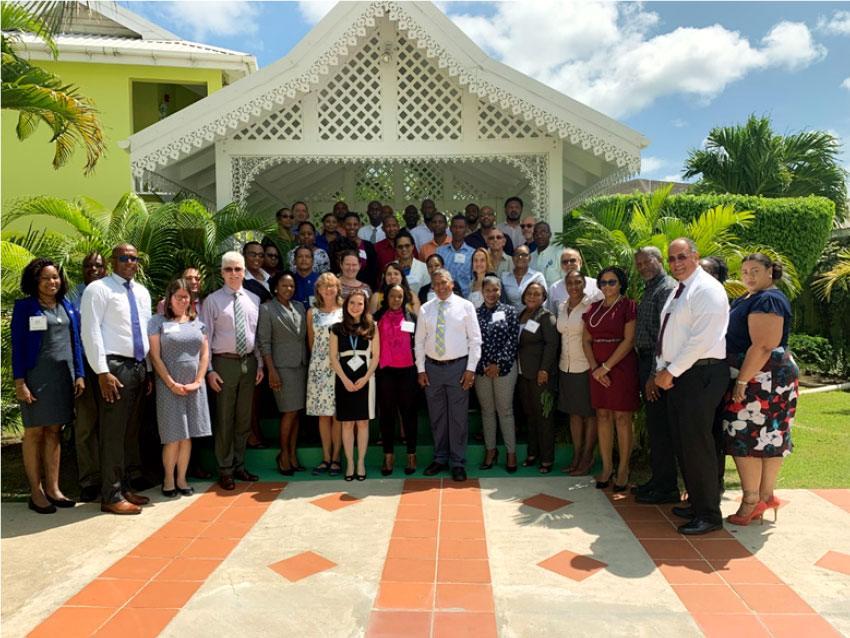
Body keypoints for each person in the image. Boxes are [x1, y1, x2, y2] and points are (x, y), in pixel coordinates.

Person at [655, 238, 729, 535]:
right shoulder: (681, 288)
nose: (676, 263)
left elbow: (700, 340)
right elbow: (670, 333)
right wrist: (663, 368)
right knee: (684, 444)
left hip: (701, 374)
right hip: (682, 375)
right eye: (671, 258)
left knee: (698, 445)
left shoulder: (707, 289)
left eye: (682, 256)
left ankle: (709, 514)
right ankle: (697, 503)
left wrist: (670, 371)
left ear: (696, 256)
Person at [721, 253, 795, 526]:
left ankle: (752, 499)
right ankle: (765, 496)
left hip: (762, 378)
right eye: (744, 271)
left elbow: (764, 344)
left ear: (769, 271)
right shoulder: (749, 297)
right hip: (761, 376)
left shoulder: (768, 300)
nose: (748, 276)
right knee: (766, 437)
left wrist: (742, 381)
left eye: (755, 270)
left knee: (745, 436)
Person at [80, 243, 152, 515]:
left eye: (134, 258)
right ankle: (110, 495)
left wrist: (147, 370)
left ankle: (124, 487)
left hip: (138, 367)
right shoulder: (98, 289)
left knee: (129, 433)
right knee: (112, 433)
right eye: (124, 257)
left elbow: (144, 331)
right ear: (112, 262)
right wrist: (102, 371)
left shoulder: (141, 292)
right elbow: (91, 332)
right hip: (114, 368)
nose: (130, 262)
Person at [13, 258, 85, 513]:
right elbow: (18, 347)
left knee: (54, 431)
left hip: (62, 377)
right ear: (35, 281)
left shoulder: (68, 306)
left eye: (55, 277)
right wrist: (20, 383)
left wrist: (79, 374)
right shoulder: (25, 307)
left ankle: (54, 489)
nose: (51, 282)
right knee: (34, 431)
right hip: (35, 377)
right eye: (45, 278)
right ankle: (36, 492)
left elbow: (76, 342)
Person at [201, 251, 264, 491]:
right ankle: (225, 469)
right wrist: (209, 370)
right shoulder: (212, 301)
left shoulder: (253, 299)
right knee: (225, 418)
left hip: (248, 363)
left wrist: (259, 363)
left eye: (238, 269)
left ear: (244, 272)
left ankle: (239, 465)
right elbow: (205, 337)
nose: (234, 273)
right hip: (223, 363)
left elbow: (256, 336)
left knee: (243, 419)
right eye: (229, 269)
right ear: (222, 273)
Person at [415, 268, 482, 481]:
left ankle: (458, 462)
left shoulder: (466, 306)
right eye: (436, 283)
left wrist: (471, 368)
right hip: (432, 369)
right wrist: (421, 369)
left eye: (444, 282)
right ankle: (440, 458)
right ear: (432, 287)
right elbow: (419, 341)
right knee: (437, 417)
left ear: (451, 283)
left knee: (458, 418)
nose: (441, 287)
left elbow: (475, 340)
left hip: (458, 368)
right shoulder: (426, 309)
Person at [148, 278, 211, 497]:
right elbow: (155, 357)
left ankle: (182, 479)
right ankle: (168, 480)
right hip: (169, 386)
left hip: (194, 386)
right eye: (179, 297)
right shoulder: (157, 321)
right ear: (170, 297)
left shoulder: (196, 321)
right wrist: (171, 383)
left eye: (186, 297)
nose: (183, 301)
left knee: (187, 436)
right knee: (173, 436)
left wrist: (199, 381)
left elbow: (205, 354)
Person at [582, 266, 639, 492]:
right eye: (603, 282)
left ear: (621, 283)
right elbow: (586, 340)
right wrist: (595, 368)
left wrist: (606, 367)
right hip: (597, 369)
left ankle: (623, 469)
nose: (606, 286)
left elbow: (629, 340)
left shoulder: (628, 306)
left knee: (622, 417)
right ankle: (606, 468)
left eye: (612, 282)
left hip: (621, 366)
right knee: (602, 415)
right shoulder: (593, 307)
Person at [632, 247, 680, 504]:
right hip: (646, 360)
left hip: (656, 363)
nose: (642, 267)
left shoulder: (666, 288)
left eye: (646, 262)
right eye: (638, 264)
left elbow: (665, 336)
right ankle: (658, 479)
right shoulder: (650, 288)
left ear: (659, 260)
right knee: (654, 426)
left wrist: (653, 374)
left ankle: (667, 487)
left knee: (661, 427)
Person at [258, 271, 308, 476]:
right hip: (282, 368)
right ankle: (284, 454)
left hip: (301, 366)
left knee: (297, 412)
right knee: (289, 412)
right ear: (276, 287)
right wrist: (271, 370)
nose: (288, 289)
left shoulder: (299, 307)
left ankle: (293, 455)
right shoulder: (267, 309)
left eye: (291, 286)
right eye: (284, 285)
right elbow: (264, 342)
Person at [67, 252, 107, 502]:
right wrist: (77, 372)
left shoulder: (112, 291)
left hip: (111, 367)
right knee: (85, 426)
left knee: (113, 423)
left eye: (98, 265)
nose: (93, 269)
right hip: (84, 368)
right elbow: (71, 335)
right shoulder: (72, 296)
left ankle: (118, 474)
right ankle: (90, 480)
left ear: (105, 269)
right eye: (88, 265)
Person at [329, 290, 380, 481]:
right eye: (352, 303)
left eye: (360, 303)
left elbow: (376, 356)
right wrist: (344, 379)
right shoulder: (336, 328)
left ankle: (361, 463)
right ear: (346, 305)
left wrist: (366, 378)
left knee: (363, 422)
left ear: (365, 306)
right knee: (347, 423)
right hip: (344, 379)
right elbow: (333, 357)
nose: (355, 307)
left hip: (365, 379)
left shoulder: (372, 327)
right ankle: (350, 462)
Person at [474, 276, 519, 472]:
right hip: (482, 370)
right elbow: (474, 341)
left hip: (505, 369)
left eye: (495, 290)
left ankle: (511, 454)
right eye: (488, 290)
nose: (492, 294)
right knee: (487, 411)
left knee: (505, 410)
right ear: (482, 292)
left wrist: (498, 364)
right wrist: (486, 365)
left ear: (500, 291)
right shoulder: (475, 313)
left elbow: (512, 340)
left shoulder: (510, 311)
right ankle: (490, 451)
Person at [374, 283, 419, 476]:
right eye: (392, 295)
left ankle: (411, 454)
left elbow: (419, 344)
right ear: (386, 297)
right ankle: (388, 455)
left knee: (409, 413)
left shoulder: (412, 318)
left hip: (408, 371)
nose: (396, 299)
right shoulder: (376, 318)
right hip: (386, 371)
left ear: (404, 298)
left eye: (400, 296)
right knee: (387, 414)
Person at [556, 270, 597, 476]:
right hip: (566, 366)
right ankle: (576, 456)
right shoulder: (562, 306)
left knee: (589, 414)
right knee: (574, 413)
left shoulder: (591, 305)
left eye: (578, 282)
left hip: (585, 366)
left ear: (584, 283)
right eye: (570, 283)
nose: (574, 286)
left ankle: (587, 458)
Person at [517, 282, 559, 473]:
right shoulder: (521, 315)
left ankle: (547, 459)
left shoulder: (546, 317)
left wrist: (544, 370)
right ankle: (532, 454)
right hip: (523, 374)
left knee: (544, 416)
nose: (532, 297)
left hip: (540, 375)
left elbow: (551, 345)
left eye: (537, 294)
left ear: (543, 298)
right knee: (530, 416)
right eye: (529, 293)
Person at [306, 272, 344, 476]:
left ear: (338, 288)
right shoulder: (312, 313)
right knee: (323, 415)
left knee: (337, 415)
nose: (329, 289)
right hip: (319, 368)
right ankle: (326, 457)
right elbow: (311, 342)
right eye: (324, 286)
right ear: (318, 290)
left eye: (332, 285)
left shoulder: (344, 312)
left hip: (340, 368)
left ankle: (336, 458)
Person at [547, 248, 602, 316]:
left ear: (580, 262)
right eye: (565, 262)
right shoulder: (554, 289)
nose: (569, 264)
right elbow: (551, 316)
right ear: (561, 266)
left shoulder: (595, 285)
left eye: (572, 260)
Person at [333, 212, 379, 289]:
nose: (352, 227)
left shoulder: (368, 246)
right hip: (342, 287)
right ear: (343, 225)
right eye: (348, 224)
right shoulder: (338, 245)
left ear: (359, 226)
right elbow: (334, 268)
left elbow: (373, 271)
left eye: (355, 224)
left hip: (364, 287)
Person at [436, 215, 476, 296]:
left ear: (466, 229)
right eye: (455, 227)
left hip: (465, 298)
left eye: (461, 227)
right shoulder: (440, 251)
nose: (458, 230)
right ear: (450, 229)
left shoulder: (472, 253)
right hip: (443, 296)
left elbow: (474, 279)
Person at [501, 244, 546, 309]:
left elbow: (544, 300)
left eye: (524, 255)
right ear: (512, 258)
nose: (520, 257)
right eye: (517, 254)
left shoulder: (537, 277)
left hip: (533, 314)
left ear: (529, 258)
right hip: (511, 314)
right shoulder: (504, 277)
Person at [392, 229, 428, 294]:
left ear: (412, 246)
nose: (404, 249)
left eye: (407, 246)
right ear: (396, 248)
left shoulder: (423, 267)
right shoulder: (390, 267)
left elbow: (427, 292)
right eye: (400, 247)